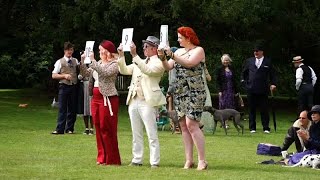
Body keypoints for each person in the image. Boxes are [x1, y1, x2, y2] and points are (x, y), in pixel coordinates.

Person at [158, 26, 208, 170]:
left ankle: (202, 160)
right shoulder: (179, 51)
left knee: (192, 124)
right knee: (184, 126)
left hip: (195, 92)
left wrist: (171, 55)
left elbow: (189, 63)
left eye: (180, 37)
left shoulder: (199, 50)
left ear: (188, 37)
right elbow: (168, 67)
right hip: (181, 93)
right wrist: (162, 57)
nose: (178, 39)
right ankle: (189, 160)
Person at [117, 36, 166, 168]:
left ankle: (154, 162)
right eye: (143, 46)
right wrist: (121, 56)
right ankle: (137, 159)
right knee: (136, 132)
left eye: (146, 46)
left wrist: (134, 55)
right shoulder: (140, 61)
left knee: (151, 133)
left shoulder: (160, 62)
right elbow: (124, 70)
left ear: (154, 49)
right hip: (134, 99)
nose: (143, 48)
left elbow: (148, 71)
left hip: (148, 101)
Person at [84, 40, 121, 165]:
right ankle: (101, 157)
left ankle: (112, 159)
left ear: (107, 51)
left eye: (101, 49)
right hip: (96, 98)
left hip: (108, 98)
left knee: (107, 127)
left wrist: (93, 61)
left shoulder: (114, 64)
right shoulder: (98, 62)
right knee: (98, 126)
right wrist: (85, 61)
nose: (99, 52)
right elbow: (85, 74)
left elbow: (105, 73)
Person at [241, 43, 277, 134]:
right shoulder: (249, 61)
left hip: (263, 89)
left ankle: (266, 127)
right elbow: (244, 73)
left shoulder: (268, 61)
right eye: (254, 51)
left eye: (257, 51)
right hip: (251, 89)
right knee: (251, 109)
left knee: (264, 109)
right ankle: (252, 128)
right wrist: (244, 83)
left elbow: (272, 74)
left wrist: (273, 84)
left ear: (262, 52)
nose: (255, 53)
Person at [51, 42, 78, 134]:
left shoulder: (76, 61)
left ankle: (70, 128)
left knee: (72, 108)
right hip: (63, 86)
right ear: (64, 51)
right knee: (62, 108)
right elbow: (54, 75)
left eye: (71, 50)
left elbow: (79, 71)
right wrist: (64, 76)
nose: (69, 52)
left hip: (73, 86)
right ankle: (60, 129)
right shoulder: (59, 61)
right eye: (67, 50)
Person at [216, 54, 239, 128]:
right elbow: (218, 81)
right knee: (223, 106)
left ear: (229, 60)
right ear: (222, 61)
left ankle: (228, 122)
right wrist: (219, 91)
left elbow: (235, 80)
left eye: (227, 60)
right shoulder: (219, 69)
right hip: (223, 90)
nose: (226, 61)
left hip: (231, 90)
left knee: (230, 107)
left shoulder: (232, 68)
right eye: (224, 60)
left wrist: (236, 91)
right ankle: (223, 123)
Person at [78, 56, 94, 135]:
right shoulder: (82, 66)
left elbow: (87, 73)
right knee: (85, 109)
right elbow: (81, 75)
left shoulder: (93, 66)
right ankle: (86, 128)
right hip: (84, 88)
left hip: (91, 87)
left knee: (91, 108)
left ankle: (91, 128)